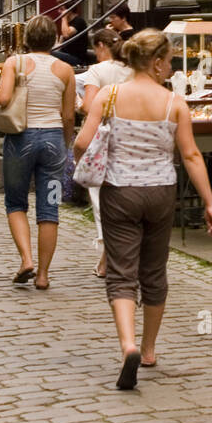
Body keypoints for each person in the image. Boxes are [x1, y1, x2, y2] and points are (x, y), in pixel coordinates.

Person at [74, 28, 212, 391]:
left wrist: (94, 165)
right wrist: (209, 201)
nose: (171, 69)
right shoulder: (175, 104)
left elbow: (81, 142)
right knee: (154, 271)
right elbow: (190, 155)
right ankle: (151, 348)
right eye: (169, 62)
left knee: (122, 273)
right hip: (160, 192)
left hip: (119, 190)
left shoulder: (109, 95)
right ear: (155, 63)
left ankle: (128, 346)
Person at [0, 15, 75, 290]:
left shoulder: (13, 63)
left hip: (21, 138)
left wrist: (0, 91)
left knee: (16, 202)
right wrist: (66, 145)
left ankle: (26, 259)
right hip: (53, 140)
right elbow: (68, 116)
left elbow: (4, 98)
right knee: (49, 208)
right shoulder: (65, 70)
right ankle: (43, 275)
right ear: (53, 39)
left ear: (26, 38)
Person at [80, 28, 132, 278]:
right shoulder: (131, 69)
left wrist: (79, 105)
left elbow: (90, 106)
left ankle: (107, 256)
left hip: (103, 138)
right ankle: (109, 257)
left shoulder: (97, 71)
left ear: (101, 46)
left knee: (100, 196)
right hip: (130, 134)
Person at [54, 2, 89, 68]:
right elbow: (62, 41)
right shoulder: (68, 23)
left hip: (76, 59)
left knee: (49, 54)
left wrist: (64, 18)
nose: (59, 11)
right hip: (65, 54)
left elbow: (66, 34)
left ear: (69, 10)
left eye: (61, 9)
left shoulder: (79, 21)